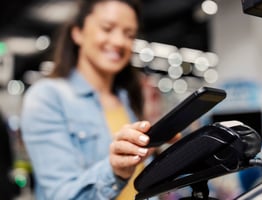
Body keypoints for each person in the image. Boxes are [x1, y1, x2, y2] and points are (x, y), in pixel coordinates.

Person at [20, 0, 162, 199]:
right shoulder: (46, 97)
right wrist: (115, 172)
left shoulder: (126, 97)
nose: (120, 41)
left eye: (129, 34)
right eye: (107, 28)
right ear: (77, 32)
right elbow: (60, 194)